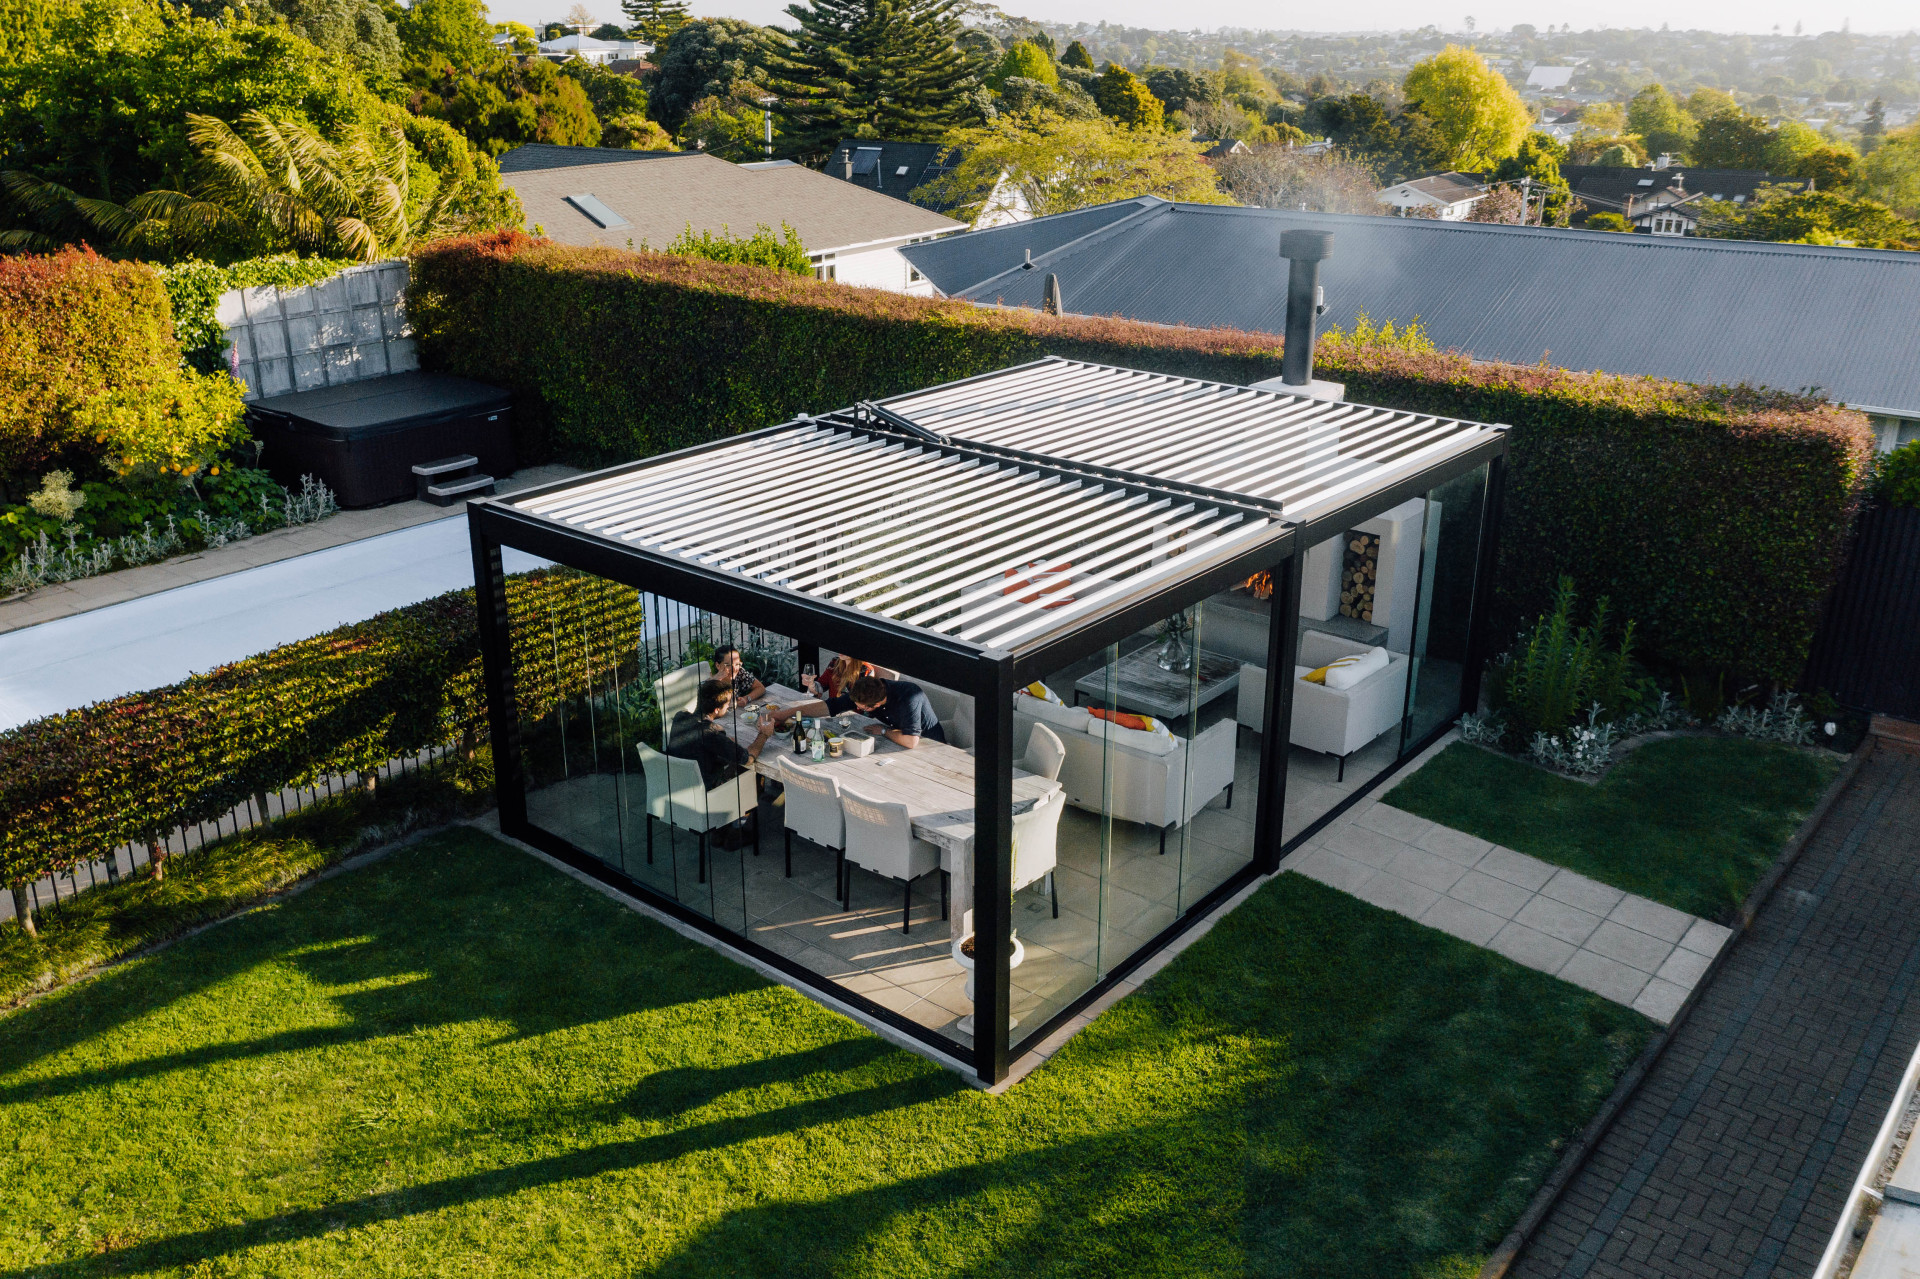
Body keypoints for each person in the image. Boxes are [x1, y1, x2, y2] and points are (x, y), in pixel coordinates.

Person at [774, 673, 945, 749]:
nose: (856, 707)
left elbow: (911, 742)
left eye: (861, 708)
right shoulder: (868, 692)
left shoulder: (908, 697)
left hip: (931, 746)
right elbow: (829, 706)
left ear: (873, 706)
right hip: (898, 743)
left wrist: (884, 731)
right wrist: (789, 712)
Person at [667, 678, 777, 796]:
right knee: (745, 767)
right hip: (707, 794)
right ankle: (749, 806)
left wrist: (722, 740)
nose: (729, 706)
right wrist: (764, 734)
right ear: (716, 709)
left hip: (678, 784)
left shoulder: (679, 717)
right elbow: (748, 759)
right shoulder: (711, 733)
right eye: (727, 704)